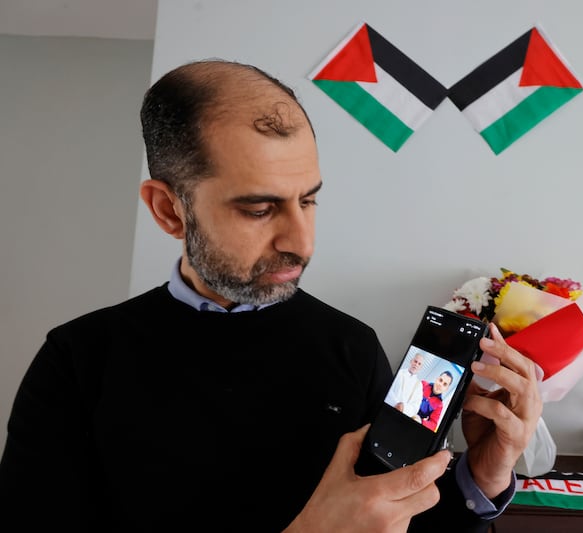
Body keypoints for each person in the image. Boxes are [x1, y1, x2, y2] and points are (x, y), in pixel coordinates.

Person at [0, 59, 542, 532]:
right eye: (259, 209)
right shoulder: (76, 361)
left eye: (308, 201)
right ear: (169, 210)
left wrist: (485, 474)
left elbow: (408, 521)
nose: (300, 243)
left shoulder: (351, 347)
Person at [385, 352, 425, 417]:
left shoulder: (419, 386)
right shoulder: (399, 373)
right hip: (387, 408)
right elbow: (388, 389)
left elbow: (416, 406)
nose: (416, 364)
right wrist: (396, 404)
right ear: (411, 361)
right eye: (415, 361)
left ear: (421, 367)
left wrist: (404, 408)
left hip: (402, 416)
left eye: (419, 364)